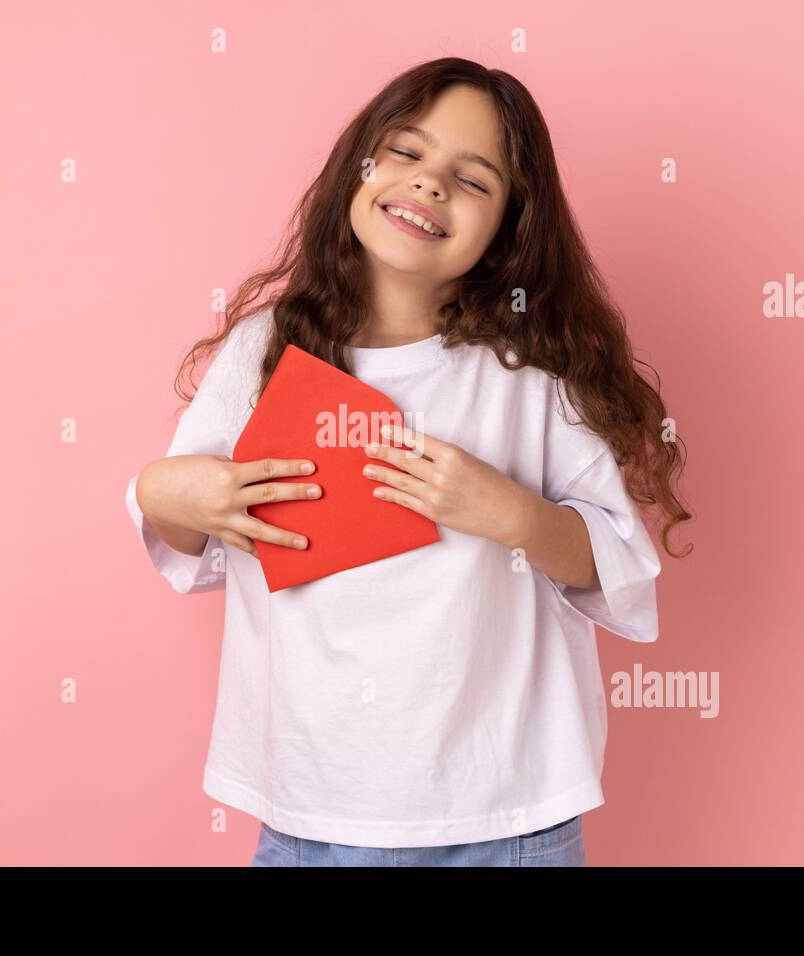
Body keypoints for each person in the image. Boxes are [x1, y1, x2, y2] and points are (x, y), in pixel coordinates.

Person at [126, 58, 692, 866]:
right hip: (310, 810)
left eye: (473, 179)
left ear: (509, 227)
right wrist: (164, 490)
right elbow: (186, 542)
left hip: (505, 816)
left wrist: (511, 514)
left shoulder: (529, 373)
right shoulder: (264, 351)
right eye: (406, 152)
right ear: (359, 166)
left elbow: (620, 567)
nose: (429, 185)